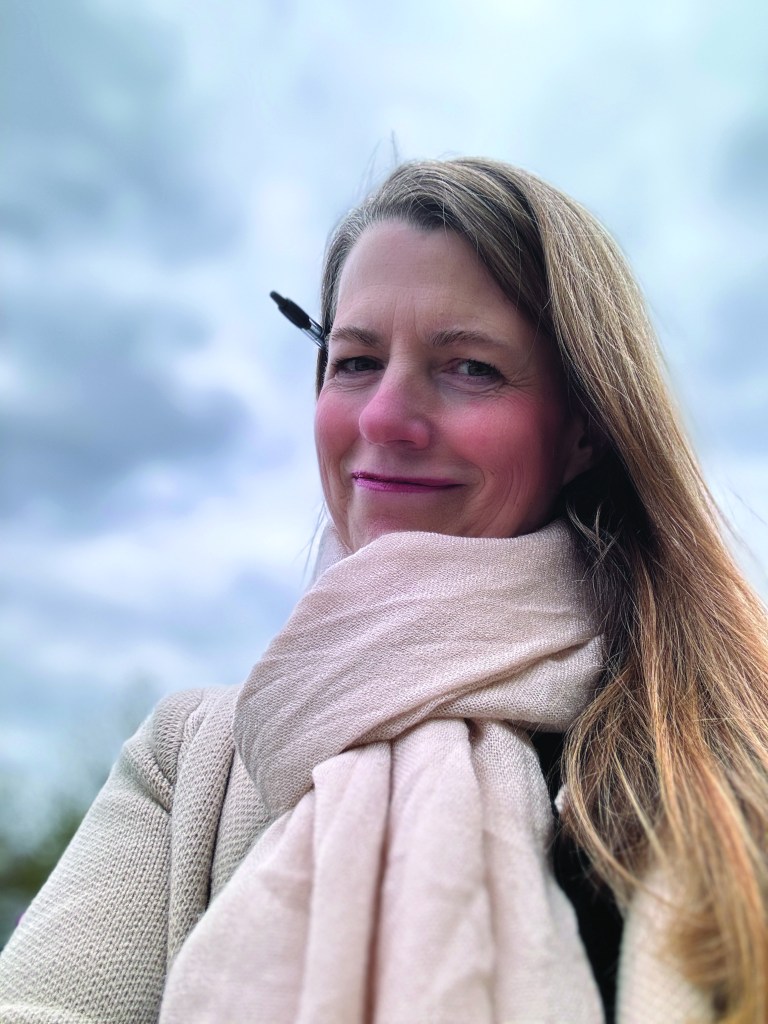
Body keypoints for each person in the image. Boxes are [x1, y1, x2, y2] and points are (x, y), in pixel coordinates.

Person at [1, 158, 766, 1024]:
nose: (383, 418)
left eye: (470, 367)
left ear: (584, 429)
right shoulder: (189, 765)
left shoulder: (727, 749)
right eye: (356, 361)